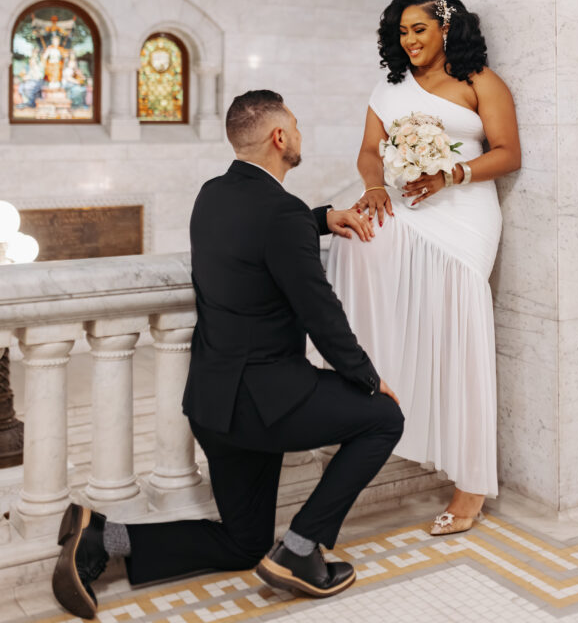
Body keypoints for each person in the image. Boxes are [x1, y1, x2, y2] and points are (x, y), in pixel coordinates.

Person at [52, 89, 403, 619]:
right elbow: (321, 315)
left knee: (243, 543)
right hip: (270, 402)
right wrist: (368, 380)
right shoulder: (279, 214)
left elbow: (256, 236)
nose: (301, 135)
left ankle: (103, 536)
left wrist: (319, 216)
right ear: (279, 137)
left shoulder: (211, 195)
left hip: (214, 408)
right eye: (297, 126)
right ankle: (302, 551)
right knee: (384, 419)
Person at [327, 0, 521, 536]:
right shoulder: (387, 87)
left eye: (418, 29)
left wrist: (451, 174)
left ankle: (471, 486)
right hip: (407, 204)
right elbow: (371, 150)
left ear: (445, 28)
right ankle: (367, 383)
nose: (409, 41)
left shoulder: (480, 81)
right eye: (402, 32)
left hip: (462, 215)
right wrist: (373, 188)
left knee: (457, 335)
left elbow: (508, 152)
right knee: (354, 239)